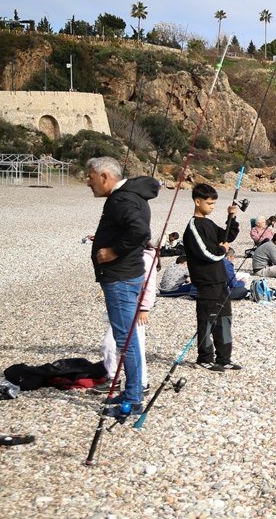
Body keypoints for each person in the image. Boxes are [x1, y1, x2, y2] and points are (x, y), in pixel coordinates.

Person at [87, 156, 159, 417]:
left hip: (120, 278)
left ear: (105, 176)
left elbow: (139, 231)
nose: (88, 183)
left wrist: (114, 251)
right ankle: (133, 391)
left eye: (90, 177)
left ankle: (133, 397)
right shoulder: (133, 195)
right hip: (128, 275)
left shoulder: (121, 199)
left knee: (126, 340)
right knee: (127, 338)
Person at [182, 183, 241, 372]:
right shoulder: (193, 226)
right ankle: (204, 358)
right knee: (207, 320)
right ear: (197, 202)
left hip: (220, 281)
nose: (212, 207)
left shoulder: (209, 223)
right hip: (206, 283)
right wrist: (222, 250)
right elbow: (206, 253)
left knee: (224, 319)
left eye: (214, 203)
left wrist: (232, 217)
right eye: (209, 203)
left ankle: (224, 358)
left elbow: (227, 236)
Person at [97, 244, 159, 392]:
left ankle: (141, 383)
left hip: (134, 309)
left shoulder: (144, 258)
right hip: (121, 306)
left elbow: (149, 285)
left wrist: (144, 308)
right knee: (111, 344)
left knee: (133, 346)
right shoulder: (127, 255)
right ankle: (114, 379)